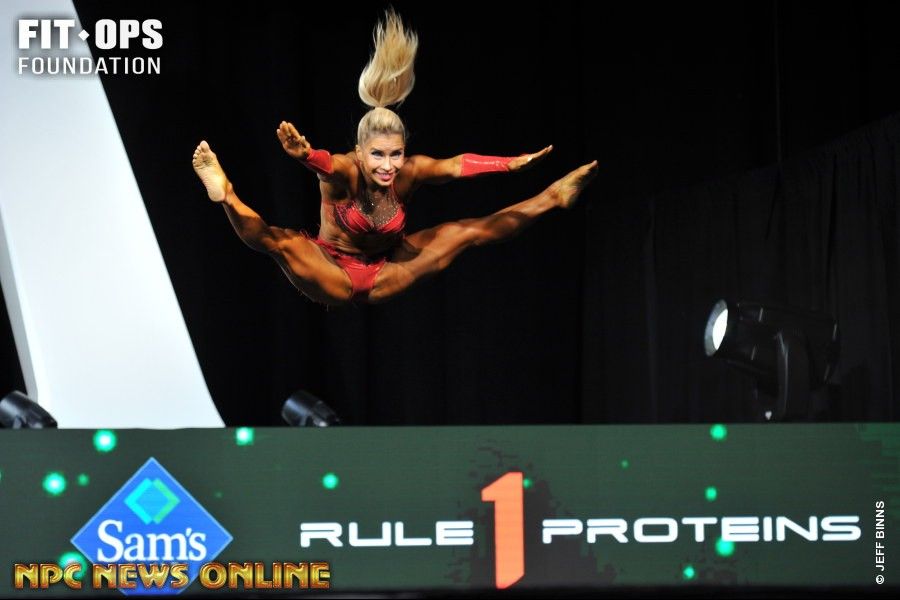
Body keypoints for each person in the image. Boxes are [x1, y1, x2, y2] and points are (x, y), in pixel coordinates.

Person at [191, 10, 597, 306]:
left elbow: (456, 165)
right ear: (360, 152)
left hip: (388, 270)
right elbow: (326, 165)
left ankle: (554, 196)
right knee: (277, 242)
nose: (388, 166)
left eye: (396, 154)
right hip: (332, 271)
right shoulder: (346, 170)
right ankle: (226, 194)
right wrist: (305, 155)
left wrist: (507, 163)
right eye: (377, 156)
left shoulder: (411, 171)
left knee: (466, 231)